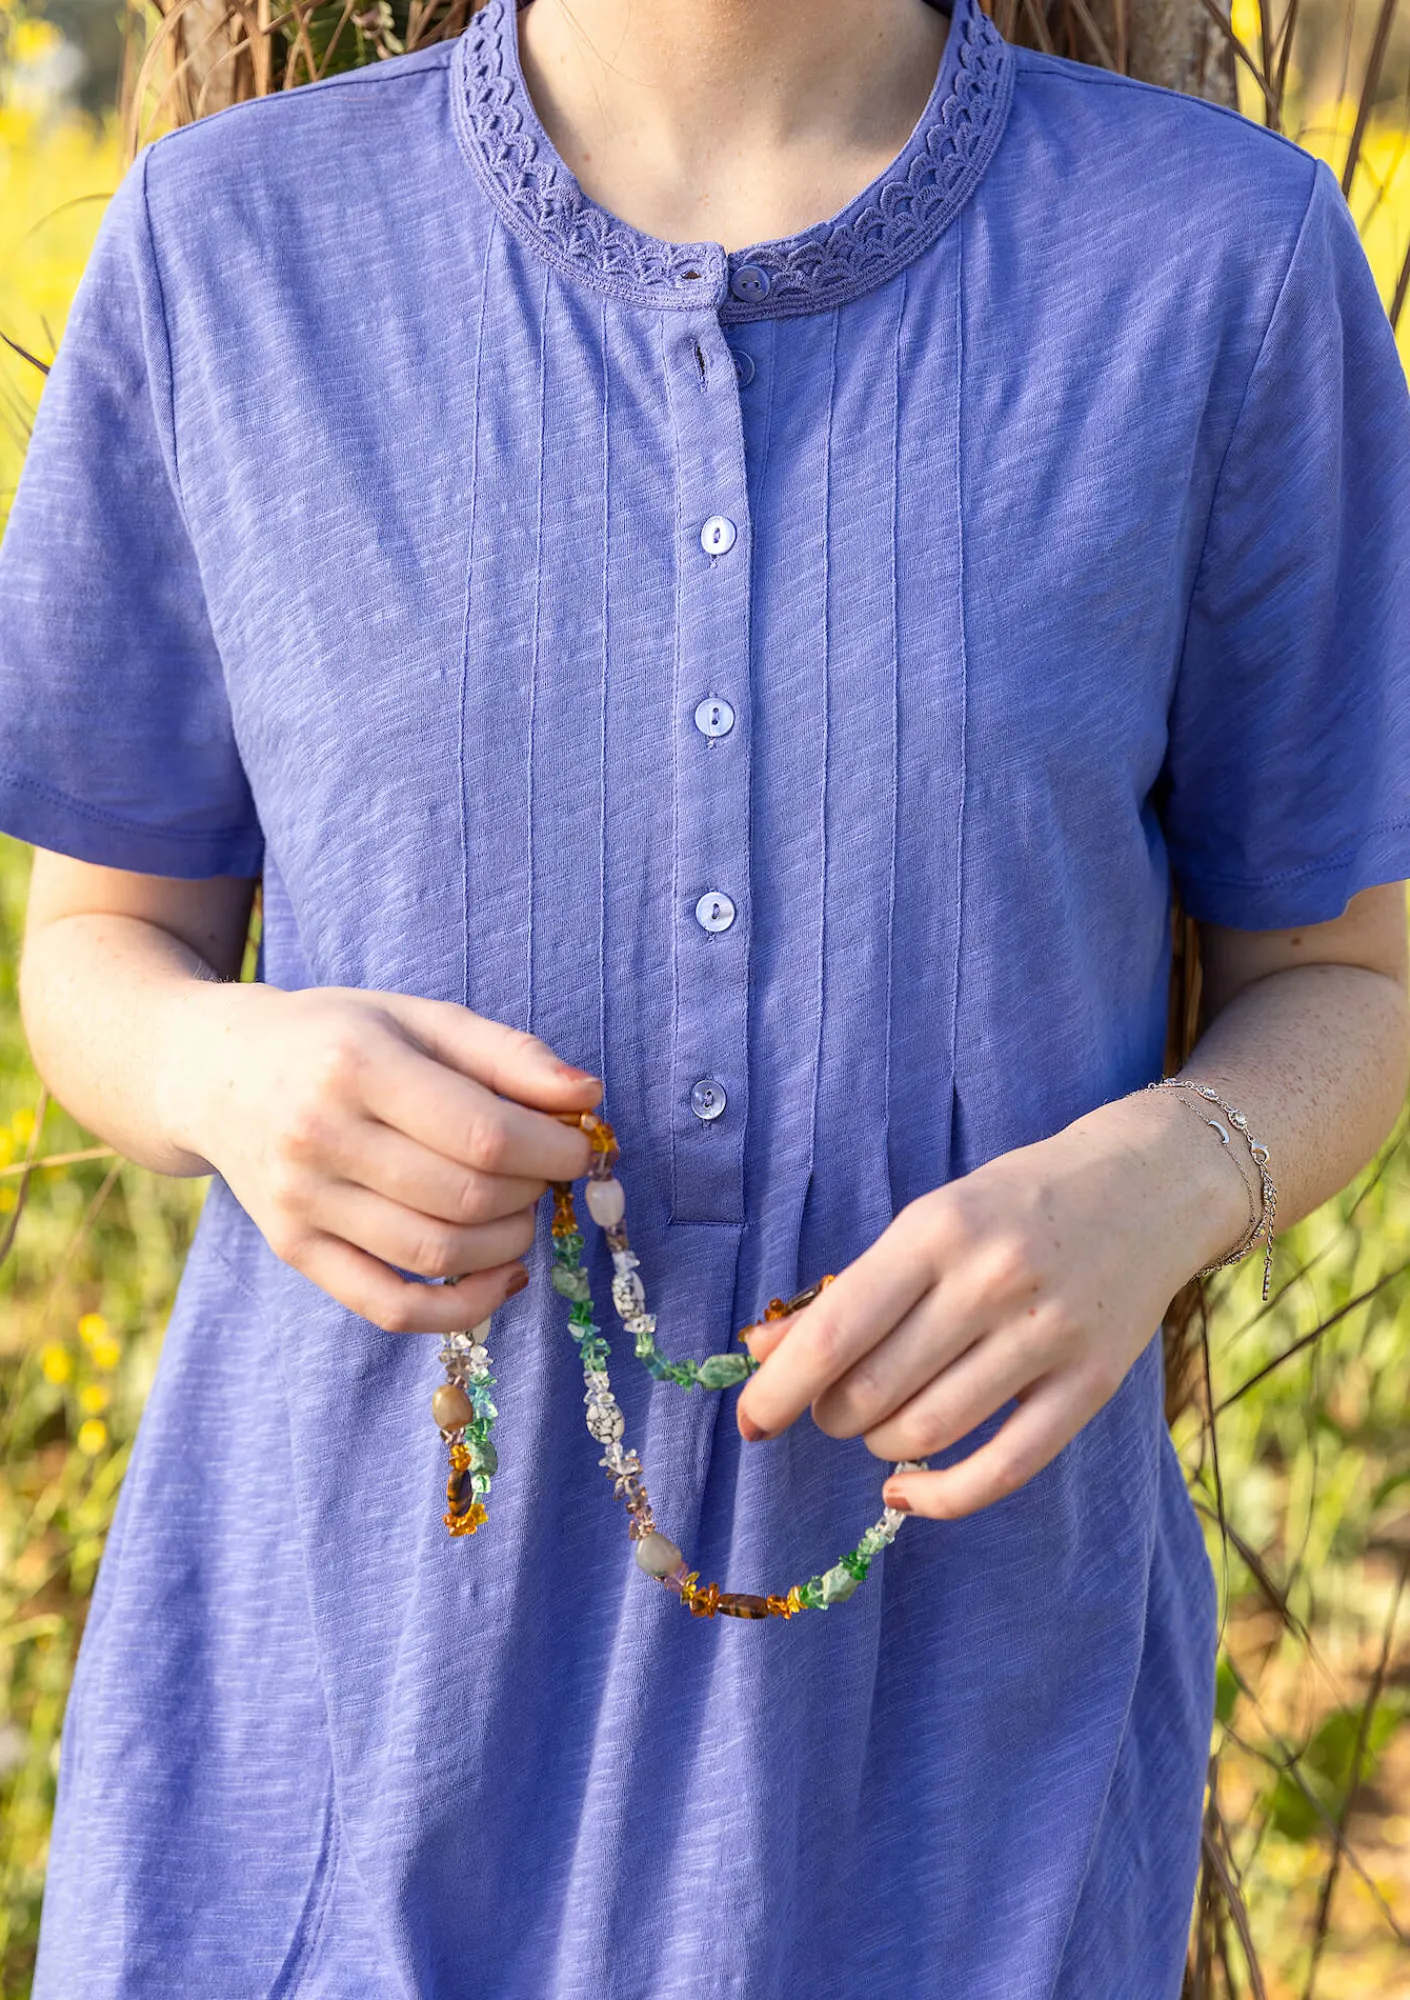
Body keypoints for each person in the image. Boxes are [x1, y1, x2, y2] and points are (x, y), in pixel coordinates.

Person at [2, 0, 1408, 1991]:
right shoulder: (224, 248)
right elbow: (95, 953)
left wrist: (1165, 1181)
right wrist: (224, 1067)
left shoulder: (1225, 265)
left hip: (959, 1771)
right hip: (330, 1735)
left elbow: (1345, 980)